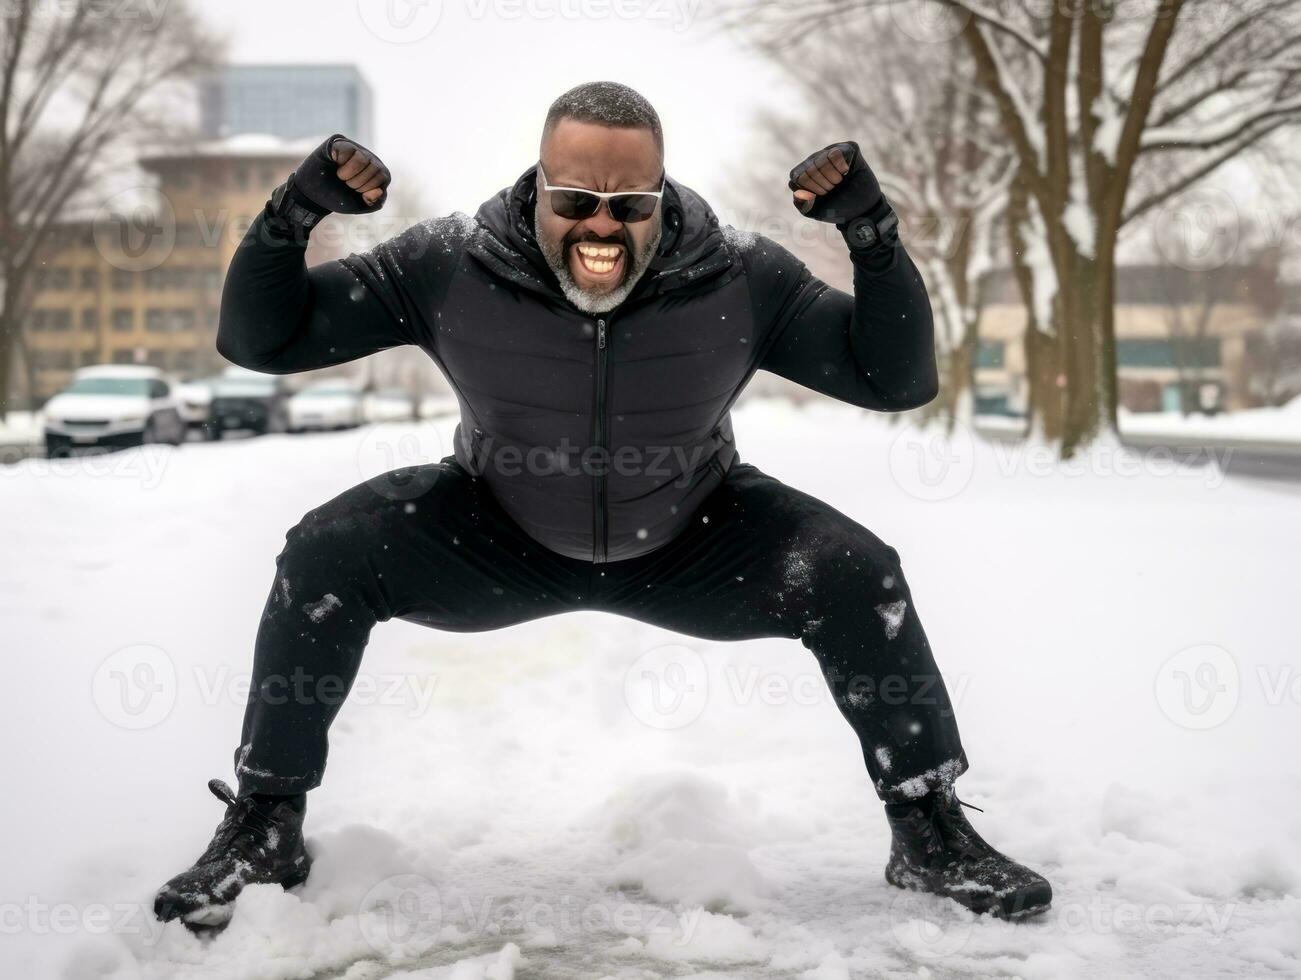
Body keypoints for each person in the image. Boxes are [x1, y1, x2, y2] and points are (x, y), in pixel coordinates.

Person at [154, 81, 1050, 929]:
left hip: (693, 535)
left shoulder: (738, 275)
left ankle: (930, 835)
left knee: (857, 574)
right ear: (538, 186)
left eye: (630, 204)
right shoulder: (450, 264)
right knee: (323, 553)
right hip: (495, 530)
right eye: (575, 197)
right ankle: (266, 825)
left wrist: (872, 235)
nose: (601, 224)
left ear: (662, 197)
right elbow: (260, 340)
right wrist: (292, 217)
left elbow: (892, 378)